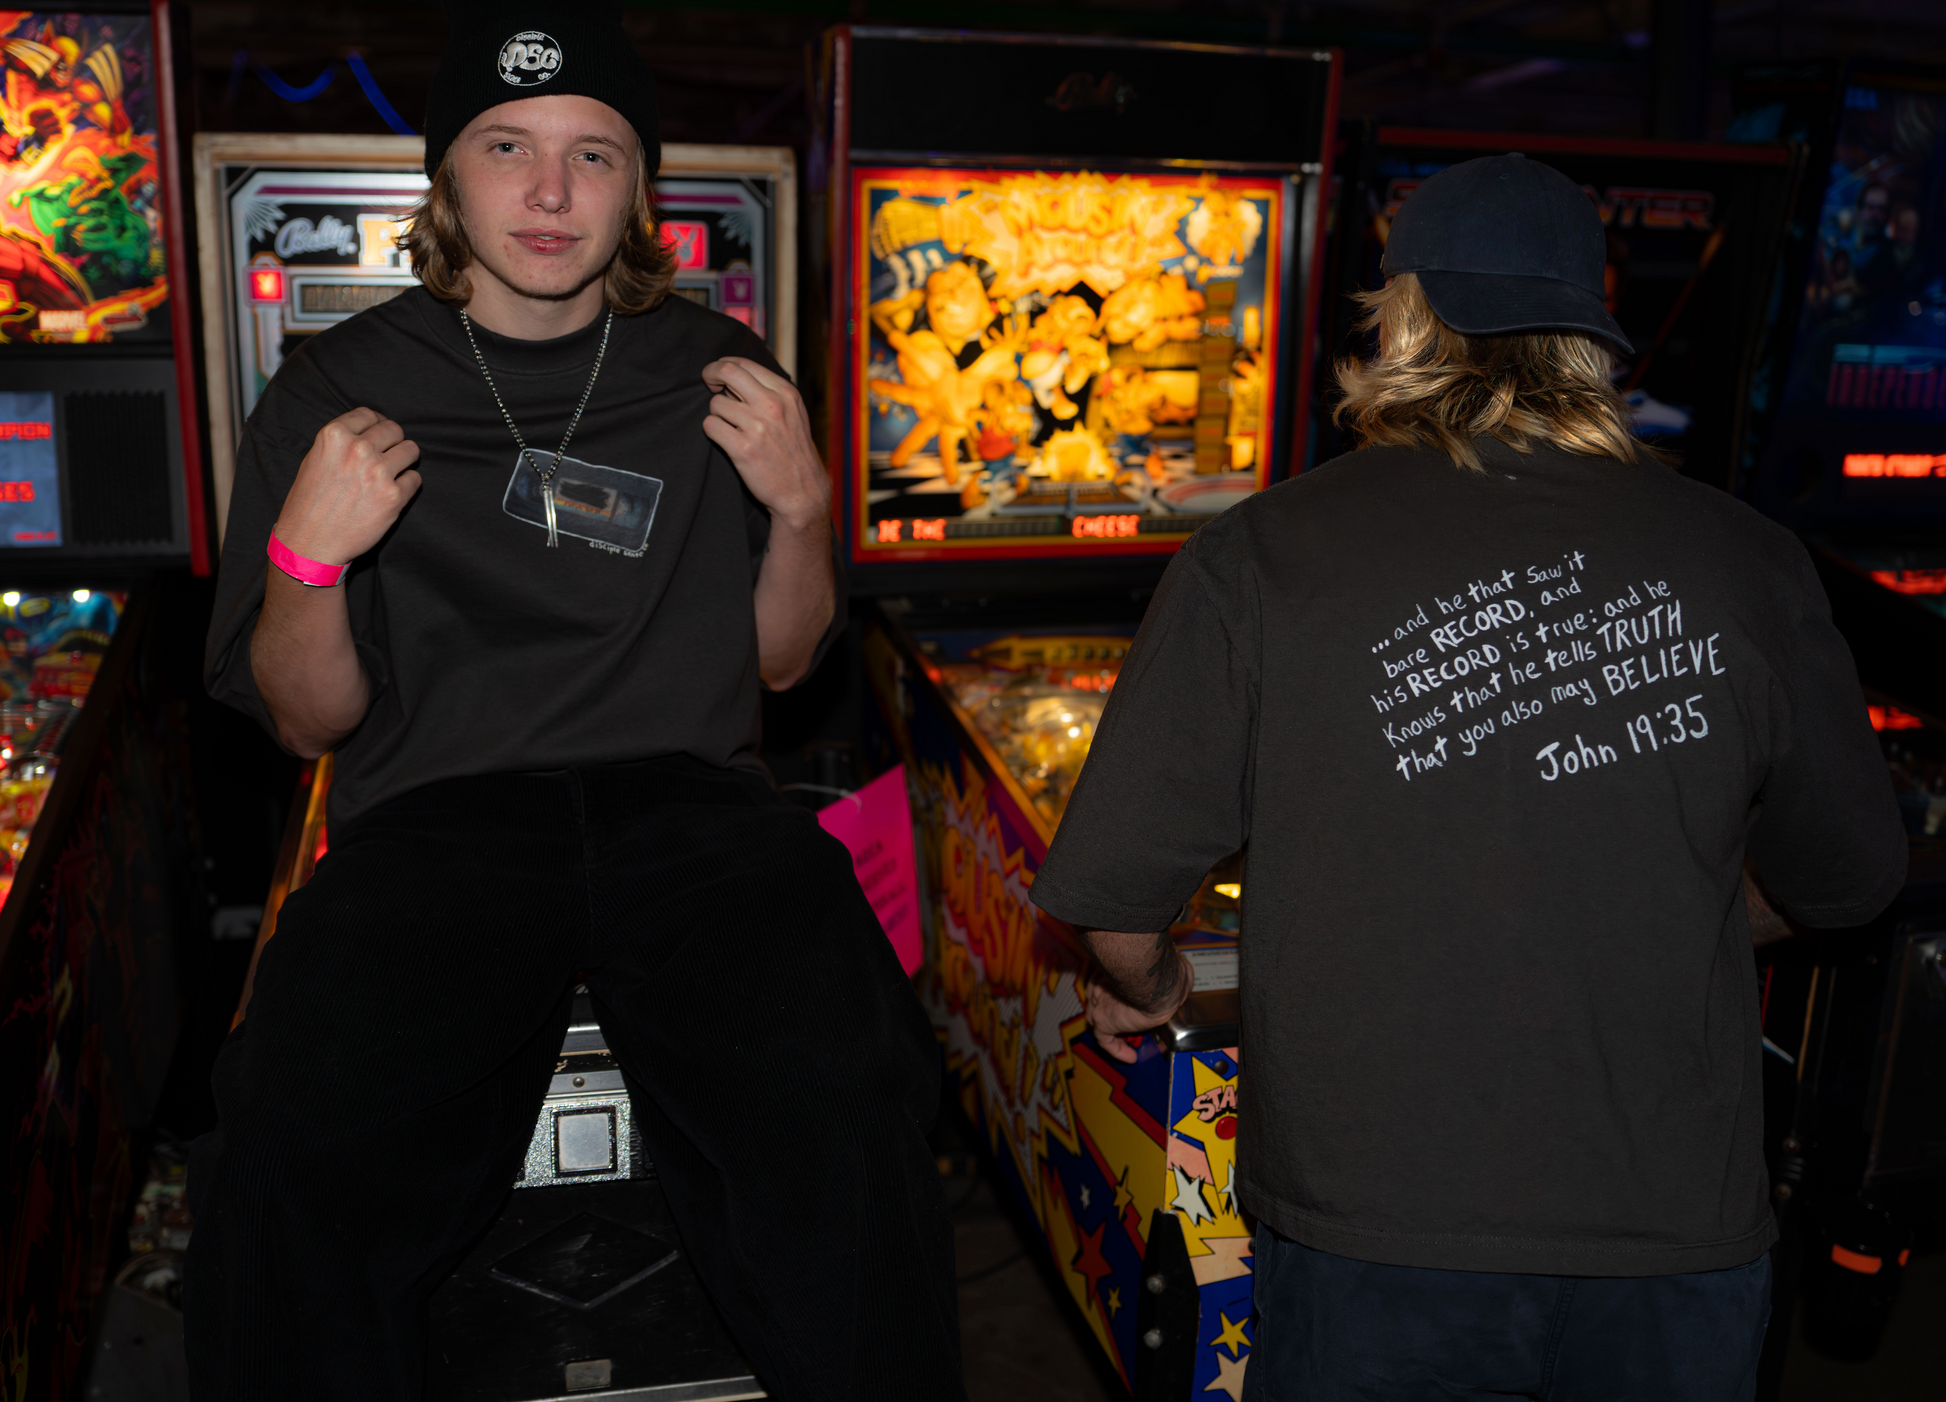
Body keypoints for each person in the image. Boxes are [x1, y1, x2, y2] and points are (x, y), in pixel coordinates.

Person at [1027, 154, 1906, 1401]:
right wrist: (1686, 899)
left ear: (1403, 320)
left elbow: (1111, 902)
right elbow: (1849, 880)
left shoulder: (1259, 553)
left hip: (1372, 1230)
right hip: (1671, 1230)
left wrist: (1158, 983)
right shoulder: (1749, 559)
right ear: (1590, 341)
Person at [187, 7, 963, 1399]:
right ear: (446, 175)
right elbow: (308, 724)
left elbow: (785, 665)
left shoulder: (721, 368)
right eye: (507, 147)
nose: (548, 192)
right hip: (437, 817)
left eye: (591, 155)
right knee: (290, 1133)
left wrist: (801, 511)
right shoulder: (337, 385)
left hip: (692, 808)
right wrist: (307, 556)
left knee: (853, 1095)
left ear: (638, 188)